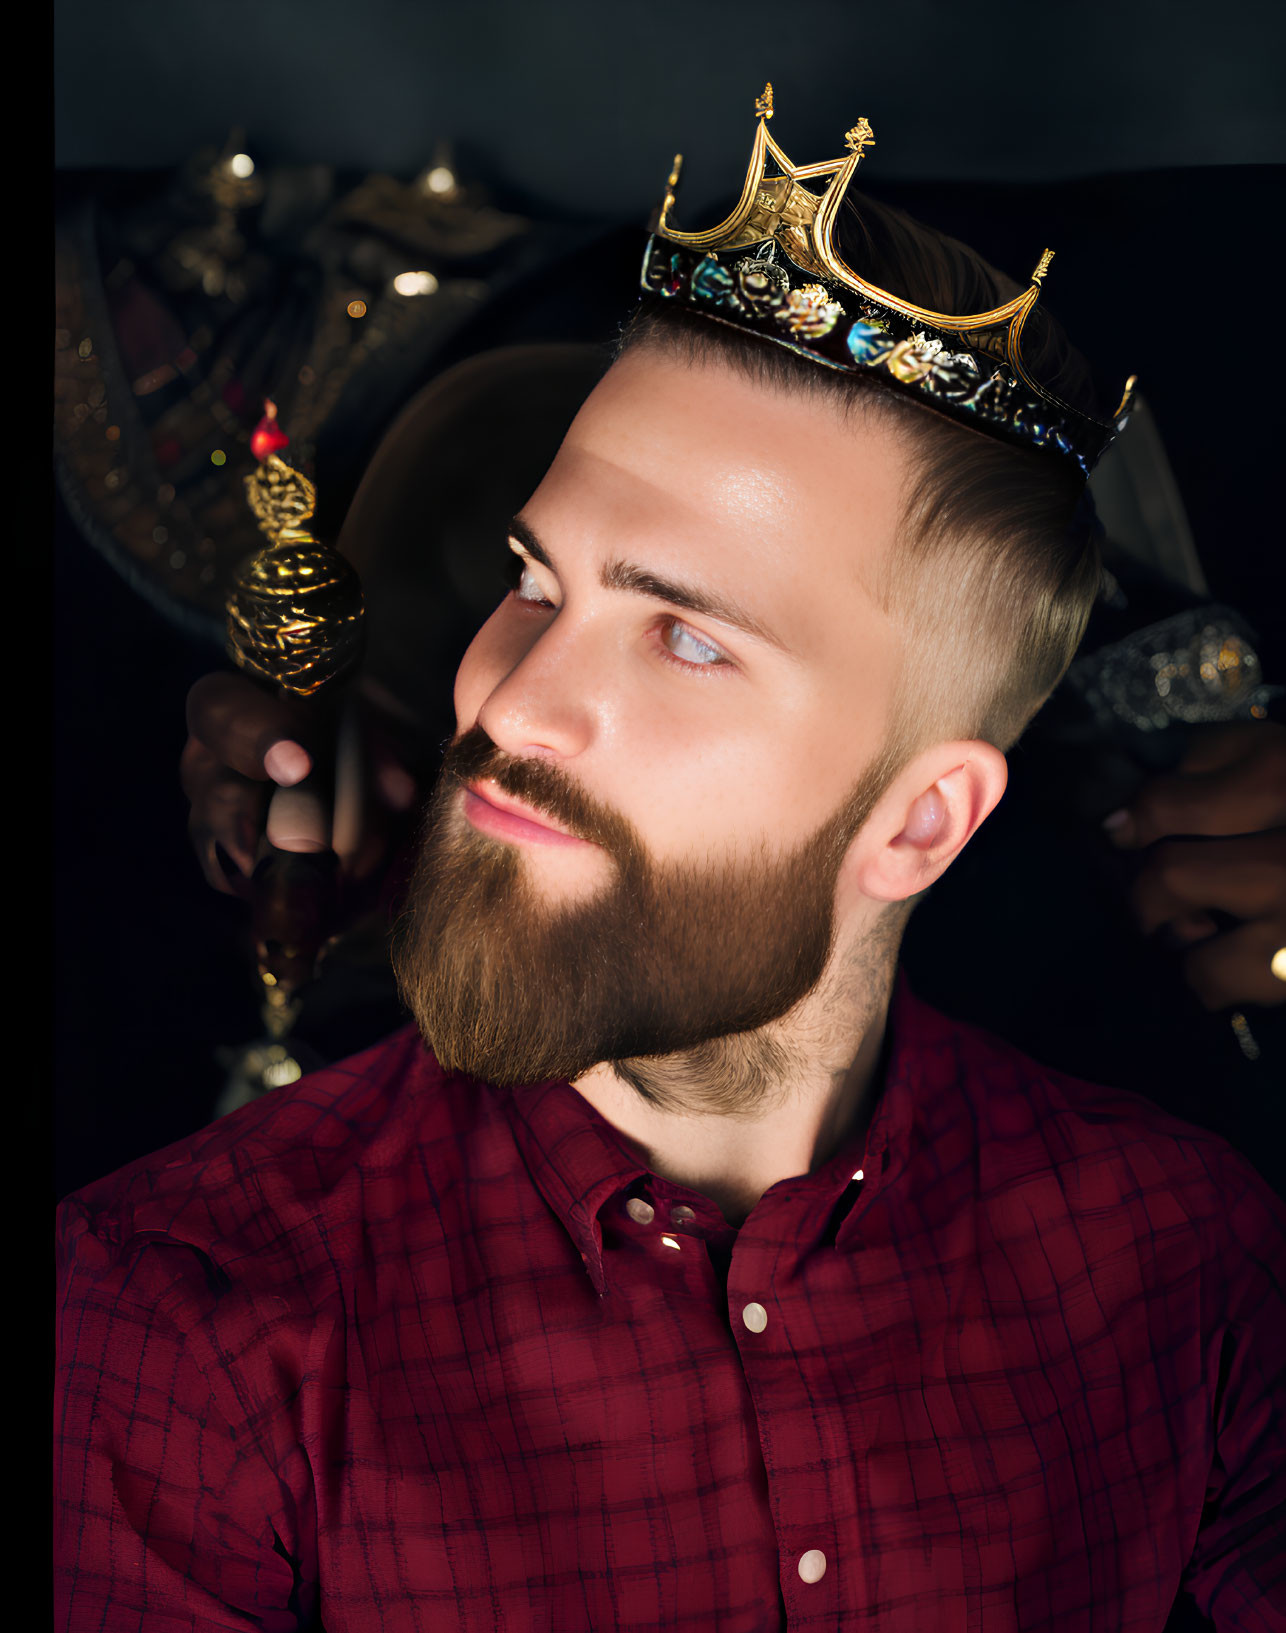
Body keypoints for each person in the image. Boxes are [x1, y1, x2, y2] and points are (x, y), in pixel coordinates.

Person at [55, 93, 1285, 1629]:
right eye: (533, 579)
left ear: (919, 820)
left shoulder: (1179, 1261)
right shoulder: (190, 1307)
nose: (508, 700)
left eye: (687, 635)